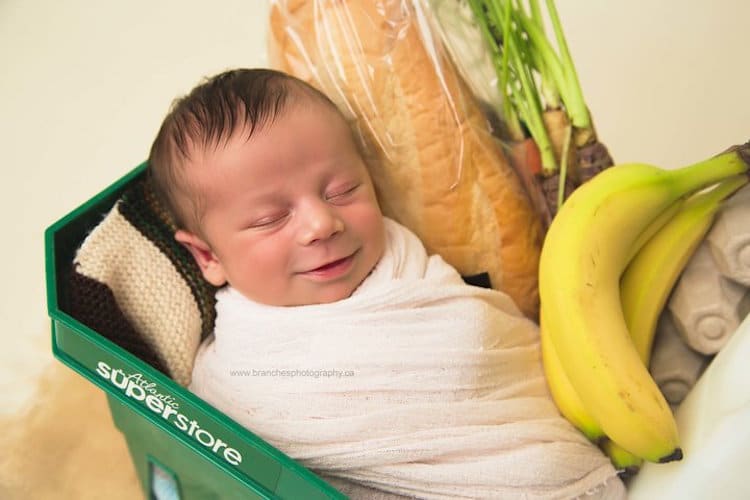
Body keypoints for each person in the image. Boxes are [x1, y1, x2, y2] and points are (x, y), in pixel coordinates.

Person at [148, 68, 625, 499]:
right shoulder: (241, 374)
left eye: (342, 190)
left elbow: (492, 348)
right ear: (209, 256)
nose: (322, 222)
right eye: (272, 219)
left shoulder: (411, 268)